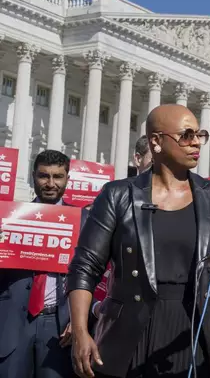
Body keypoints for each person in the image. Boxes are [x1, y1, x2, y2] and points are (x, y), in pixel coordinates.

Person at [66, 104, 210, 378]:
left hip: (197, 329)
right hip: (129, 330)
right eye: (186, 135)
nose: (196, 142)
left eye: (199, 134)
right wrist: (80, 331)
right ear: (156, 141)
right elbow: (84, 267)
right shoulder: (118, 195)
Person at [0, 150, 96, 378]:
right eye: (44, 176)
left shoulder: (85, 220)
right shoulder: (10, 217)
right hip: (14, 323)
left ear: (67, 179)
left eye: (57, 176)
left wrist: (79, 319)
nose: (51, 183)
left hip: (59, 325)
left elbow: (94, 272)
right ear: (33, 176)